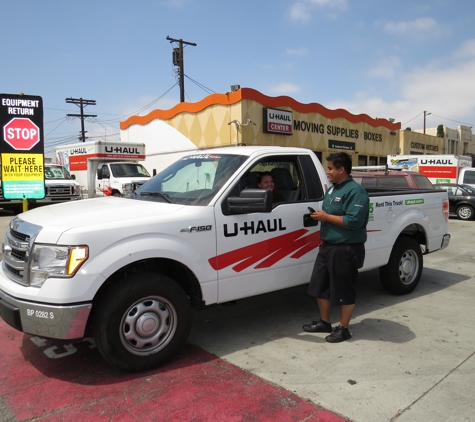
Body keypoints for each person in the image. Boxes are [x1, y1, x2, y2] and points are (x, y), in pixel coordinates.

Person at [303, 152, 369, 343]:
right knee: (319, 285)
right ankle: (325, 322)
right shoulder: (333, 189)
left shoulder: (356, 191)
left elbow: (354, 221)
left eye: (330, 168)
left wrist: (325, 217)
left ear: (342, 169)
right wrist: (319, 216)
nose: (327, 171)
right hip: (328, 246)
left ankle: (344, 328)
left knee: (343, 290)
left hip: (345, 248)